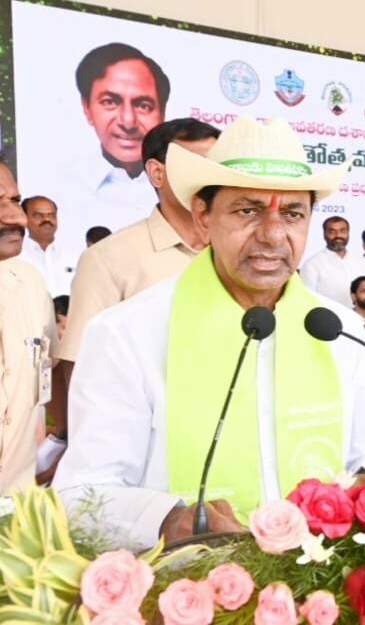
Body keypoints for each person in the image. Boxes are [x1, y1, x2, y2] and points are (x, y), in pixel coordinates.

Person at [54, 117, 365, 546]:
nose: (273, 235)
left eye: (293, 214)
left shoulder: (337, 329)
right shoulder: (127, 334)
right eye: (247, 211)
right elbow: (78, 498)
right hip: (188, 592)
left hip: (321, 590)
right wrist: (166, 520)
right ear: (203, 217)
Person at [55, 119, 220, 443]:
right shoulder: (108, 258)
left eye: (216, 165)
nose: (210, 176)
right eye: (196, 164)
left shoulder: (237, 252)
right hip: (145, 445)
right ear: (157, 173)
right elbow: (79, 366)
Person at [64, 43, 171, 236]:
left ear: (162, 113)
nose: (128, 121)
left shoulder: (181, 190)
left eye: (144, 105)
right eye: (110, 102)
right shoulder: (61, 189)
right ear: (87, 108)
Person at [1, 161, 60, 493]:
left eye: (13, 201)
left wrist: (63, 443)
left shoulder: (29, 283)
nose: (17, 218)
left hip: (17, 519)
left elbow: (50, 376)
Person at [299, 216, 365, 304]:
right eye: (332, 232)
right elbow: (307, 298)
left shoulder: (361, 262)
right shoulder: (312, 264)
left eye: (342, 231)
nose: (338, 235)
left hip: (359, 316)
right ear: (324, 234)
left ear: (348, 233)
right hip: (329, 316)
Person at [19, 197, 78, 297]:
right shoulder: (15, 257)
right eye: (38, 215)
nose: (46, 219)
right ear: (24, 218)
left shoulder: (74, 256)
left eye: (52, 215)